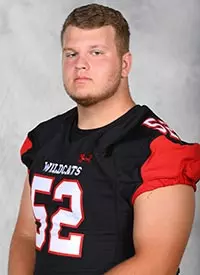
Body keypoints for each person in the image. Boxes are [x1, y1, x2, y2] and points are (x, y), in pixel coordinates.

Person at [8, 3, 200, 275]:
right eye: (71, 54)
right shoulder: (45, 138)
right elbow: (26, 236)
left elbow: (157, 264)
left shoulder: (156, 150)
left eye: (96, 53)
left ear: (125, 64)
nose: (80, 64)